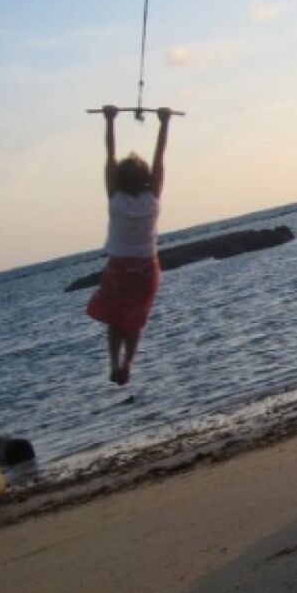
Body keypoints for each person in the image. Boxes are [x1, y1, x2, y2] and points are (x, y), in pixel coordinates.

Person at [87, 105, 171, 385]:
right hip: (146, 267)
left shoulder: (115, 199)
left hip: (120, 266)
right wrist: (164, 122)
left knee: (115, 318)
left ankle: (114, 361)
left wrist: (110, 120)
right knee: (134, 320)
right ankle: (128, 362)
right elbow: (160, 156)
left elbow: (109, 155)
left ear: (119, 180)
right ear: (145, 178)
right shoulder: (152, 198)